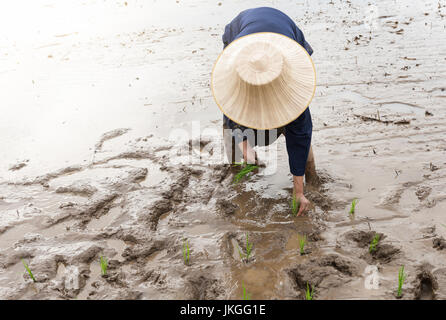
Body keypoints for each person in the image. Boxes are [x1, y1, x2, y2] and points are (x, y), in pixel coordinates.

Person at [211, 7, 317, 216]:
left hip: (285, 37)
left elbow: (301, 136)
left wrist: (298, 191)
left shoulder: (292, 87)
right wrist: (244, 146)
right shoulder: (235, 71)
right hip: (241, 33)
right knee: (233, 123)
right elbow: (229, 107)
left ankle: (312, 177)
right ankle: (235, 170)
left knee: (297, 125)